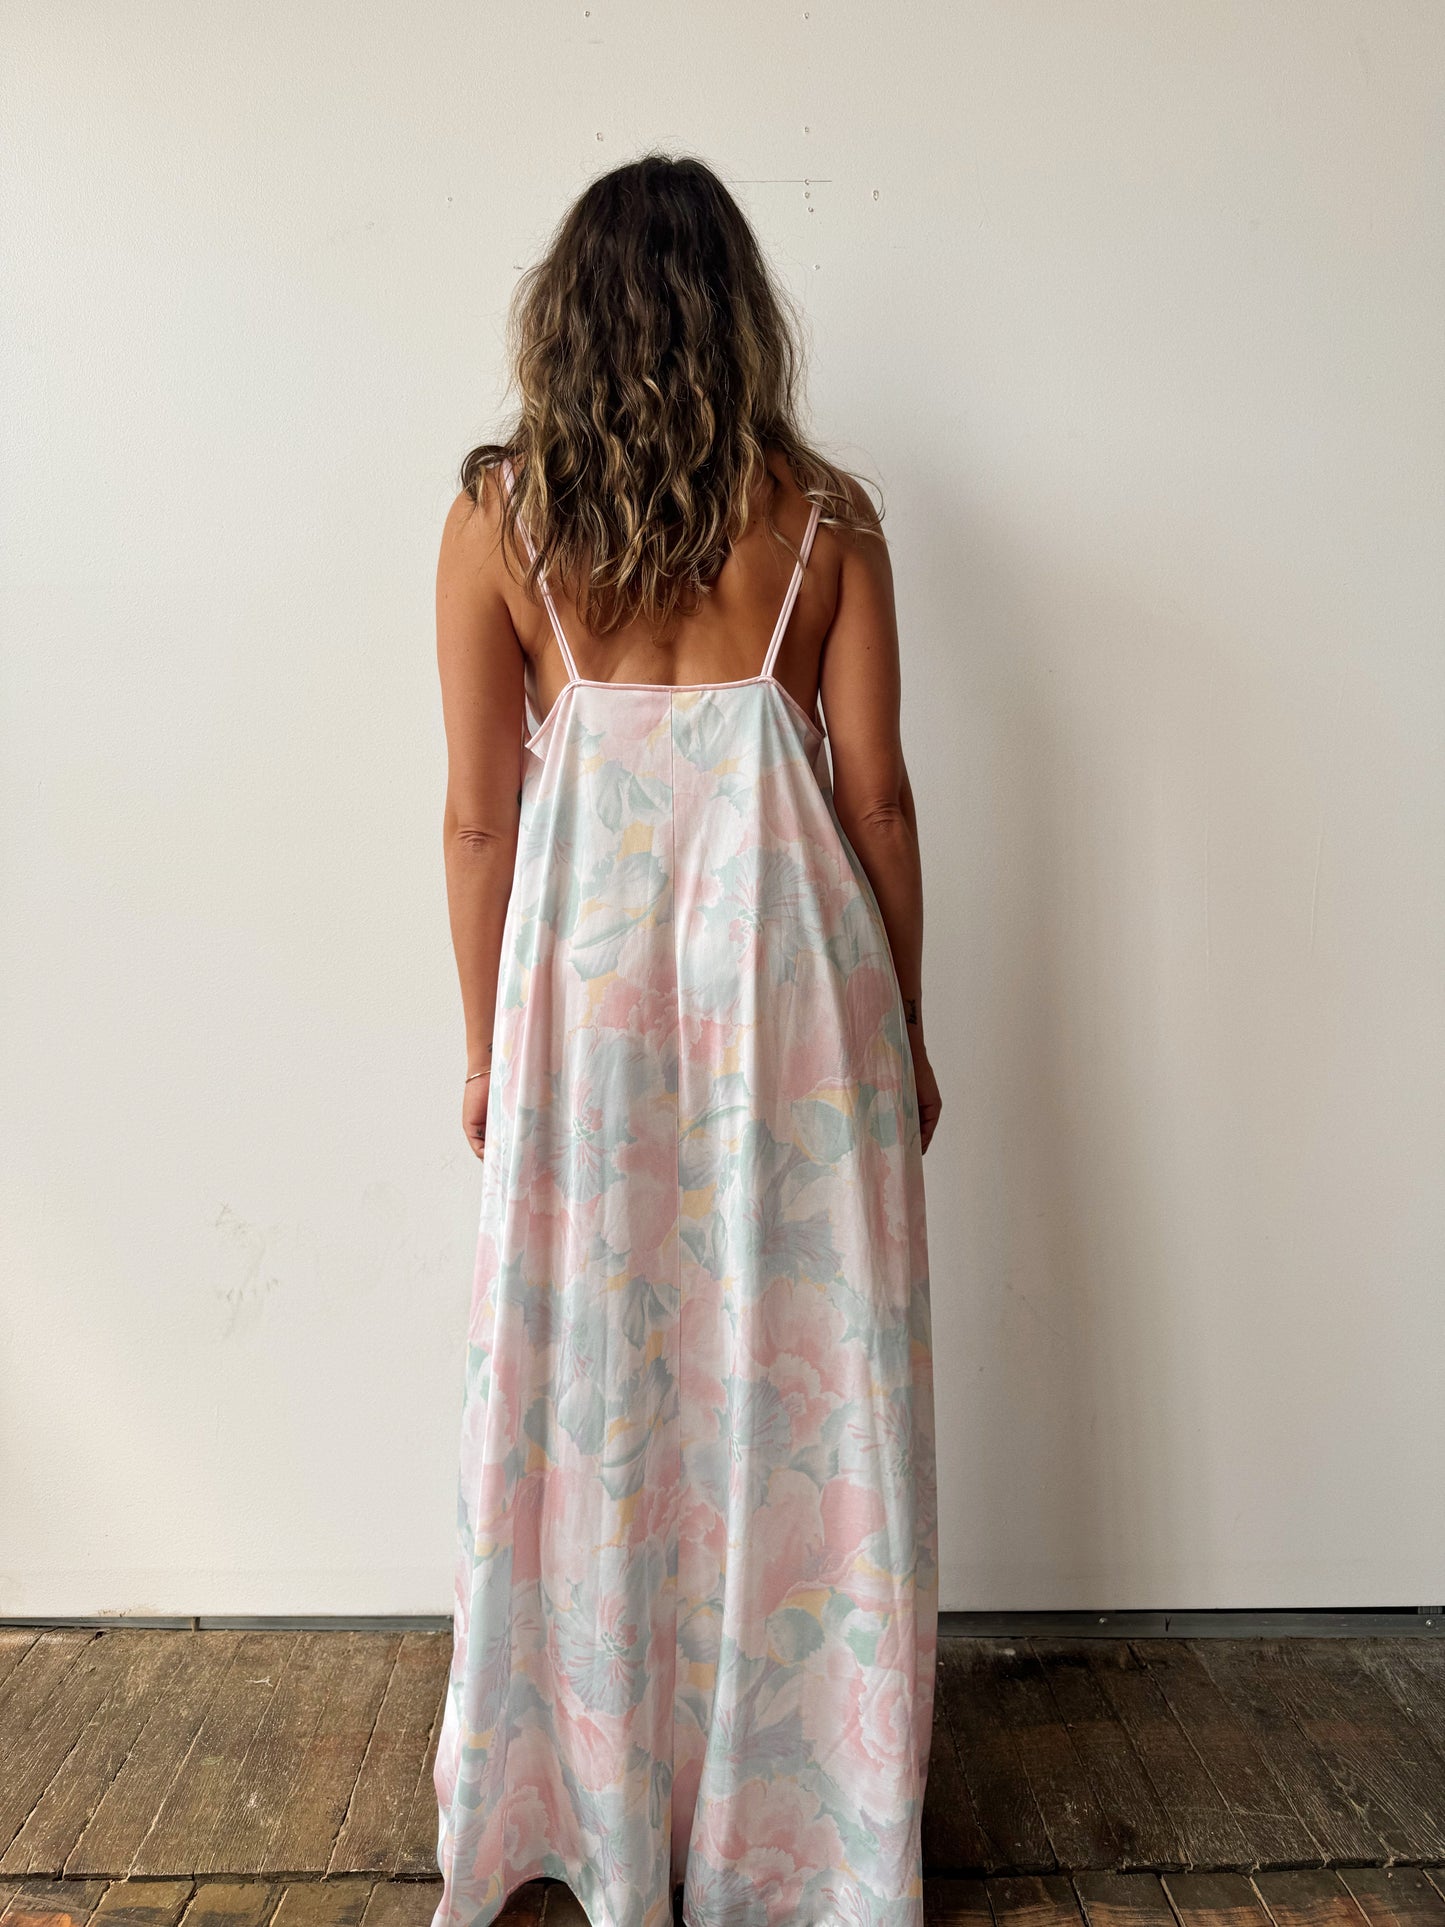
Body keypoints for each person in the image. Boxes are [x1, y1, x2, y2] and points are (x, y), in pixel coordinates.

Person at [430, 152, 940, 1927]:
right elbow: (871, 799)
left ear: (562, 317)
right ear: (741, 318)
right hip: (794, 988)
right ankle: (805, 1822)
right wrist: (913, 1041)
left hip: (585, 995)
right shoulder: (826, 521)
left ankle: (587, 1784)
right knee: (793, 1378)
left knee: (592, 1380)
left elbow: (480, 820)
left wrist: (491, 1050)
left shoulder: (498, 518)